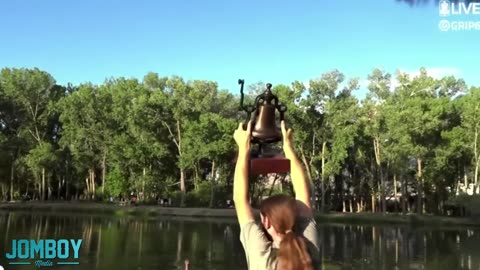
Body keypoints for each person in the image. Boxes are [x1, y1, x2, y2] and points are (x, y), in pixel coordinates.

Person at [233, 120, 320, 270]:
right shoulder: (309, 247)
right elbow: (302, 195)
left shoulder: (262, 255)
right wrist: (288, 148)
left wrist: (243, 148)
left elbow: (240, 200)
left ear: (266, 222)